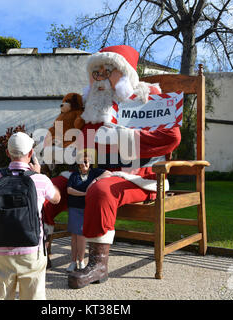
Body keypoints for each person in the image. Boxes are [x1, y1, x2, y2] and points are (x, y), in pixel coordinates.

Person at [41, 45, 181, 289]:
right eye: (96, 73)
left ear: (125, 74)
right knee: (47, 187)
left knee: (101, 190)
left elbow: (172, 137)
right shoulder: (91, 107)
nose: (101, 78)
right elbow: (78, 141)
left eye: (108, 72)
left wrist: (122, 137)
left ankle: (98, 265)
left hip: (134, 175)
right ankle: (39, 253)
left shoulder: (148, 99)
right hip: (90, 170)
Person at [0, 132, 61, 300]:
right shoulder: (40, 180)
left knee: (0, 296)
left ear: (7, 153)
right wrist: (40, 173)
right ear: (30, 154)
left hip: (0, 249)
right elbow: (57, 199)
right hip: (31, 250)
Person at [66, 152, 111, 272]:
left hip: (86, 208)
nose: (85, 163)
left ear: (90, 162)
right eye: (82, 161)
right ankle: (73, 262)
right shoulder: (74, 175)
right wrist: (84, 194)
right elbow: (69, 190)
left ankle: (80, 261)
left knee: (80, 235)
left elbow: (108, 173)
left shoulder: (94, 172)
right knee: (74, 236)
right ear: (79, 163)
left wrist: (96, 180)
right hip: (74, 207)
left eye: (87, 161)